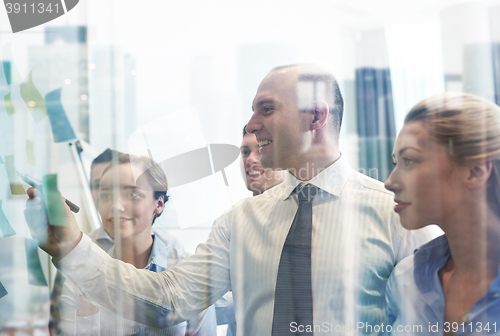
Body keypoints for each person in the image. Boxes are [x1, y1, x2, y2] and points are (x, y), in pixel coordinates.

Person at [26, 63, 439, 335]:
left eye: (266, 109)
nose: (252, 124)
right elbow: (167, 302)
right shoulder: (240, 222)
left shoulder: (399, 217)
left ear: (316, 116)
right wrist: (72, 247)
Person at [60, 154, 216, 335]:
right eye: (105, 195)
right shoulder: (82, 276)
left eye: (132, 194)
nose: (116, 206)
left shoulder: (189, 273)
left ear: (159, 204)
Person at [384, 92, 500, 335]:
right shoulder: (405, 282)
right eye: (396, 162)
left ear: (475, 171)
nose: (389, 182)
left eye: (409, 161)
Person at [215, 125, 287, 335]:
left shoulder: (304, 220)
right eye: (245, 152)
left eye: (261, 148)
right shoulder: (231, 223)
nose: (250, 159)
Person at [88, 148, 123, 252]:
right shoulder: (82, 249)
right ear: (91, 192)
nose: (107, 192)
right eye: (99, 185)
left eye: (115, 183)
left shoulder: (170, 246)